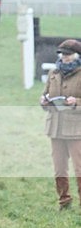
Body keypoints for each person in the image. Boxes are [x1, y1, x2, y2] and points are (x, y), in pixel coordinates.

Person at [40, 38, 81, 210]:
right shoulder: (53, 73)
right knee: (59, 170)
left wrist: (76, 102)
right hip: (55, 128)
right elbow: (45, 94)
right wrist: (44, 101)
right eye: (62, 54)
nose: (65, 57)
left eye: (68, 54)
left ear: (77, 55)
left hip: (76, 130)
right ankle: (64, 201)